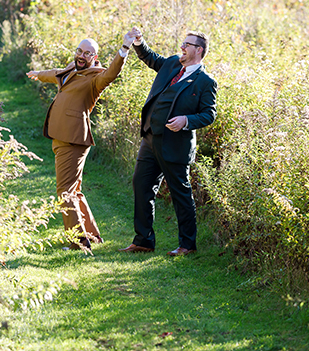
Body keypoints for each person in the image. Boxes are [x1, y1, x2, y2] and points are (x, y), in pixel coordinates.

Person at [118, 27, 217, 256]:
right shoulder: (172, 63)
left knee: (180, 193)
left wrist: (186, 120)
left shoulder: (205, 82)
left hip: (175, 145)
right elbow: (151, 59)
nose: (181, 47)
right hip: (150, 138)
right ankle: (143, 240)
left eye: (187, 45)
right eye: (183, 43)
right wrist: (139, 43)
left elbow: (209, 114)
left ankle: (187, 245)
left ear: (199, 50)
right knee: (141, 186)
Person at [27, 37, 129, 250]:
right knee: (74, 190)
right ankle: (91, 236)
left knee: (65, 191)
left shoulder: (95, 78)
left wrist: (124, 50)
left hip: (73, 139)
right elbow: (56, 74)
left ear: (95, 57)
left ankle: (78, 243)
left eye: (87, 53)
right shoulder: (72, 69)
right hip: (62, 137)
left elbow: (112, 74)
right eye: (80, 51)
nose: (82, 56)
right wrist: (38, 74)